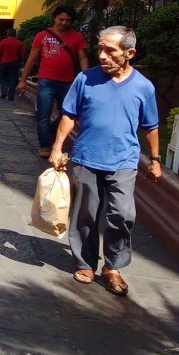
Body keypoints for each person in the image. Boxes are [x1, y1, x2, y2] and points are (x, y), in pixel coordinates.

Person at [49, 26, 158, 297]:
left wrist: (155, 160)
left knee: (121, 214)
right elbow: (68, 115)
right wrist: (57, 147)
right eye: (100, 48)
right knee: (85, 212)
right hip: (87, 157)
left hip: (124, 160)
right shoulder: (85, 79)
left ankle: (113, 266)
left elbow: (151, 127)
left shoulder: (144, 87)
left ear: (129, 53)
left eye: (110, 50)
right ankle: (85, 262)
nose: (102, 55)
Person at [18, 5, 89, 158]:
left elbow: (83, 58)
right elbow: (32, 59)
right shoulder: (42, 35)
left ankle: (49, 132)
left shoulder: (76, 37)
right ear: (54, 18)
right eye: (61, 19)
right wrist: (23, 80)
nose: (64, 23)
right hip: (46, 81)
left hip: (67, 83)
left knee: (68, 113)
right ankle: (45, 145)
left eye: (68, 20)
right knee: (43, 114)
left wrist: (86, 78)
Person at [0, 28, 25, 101]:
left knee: (3, 78)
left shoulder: (3, 42)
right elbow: (22, 53)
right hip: (15, 62)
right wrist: (22, 61)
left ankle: (4, 92)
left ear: (8, 34)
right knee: (13, 79)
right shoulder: (19, 43)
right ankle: (11, 95)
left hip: (4, 62)